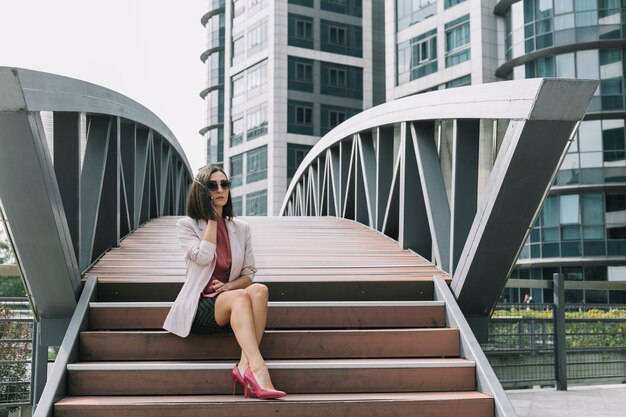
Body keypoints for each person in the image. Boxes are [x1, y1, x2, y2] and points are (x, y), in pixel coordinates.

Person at [163, 165, 286, 399]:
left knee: (259, 290)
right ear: (201, 191)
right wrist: (211, 218)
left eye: (224, 184)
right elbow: (203, 257)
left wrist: (229, 287)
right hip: (200, 306)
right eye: (212, 185)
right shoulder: (187, 226)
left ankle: (243, 367)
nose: (220, 189)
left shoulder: (241, 228)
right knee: (241, 296)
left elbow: (249, 272)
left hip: (232, 302)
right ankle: (259, 370)